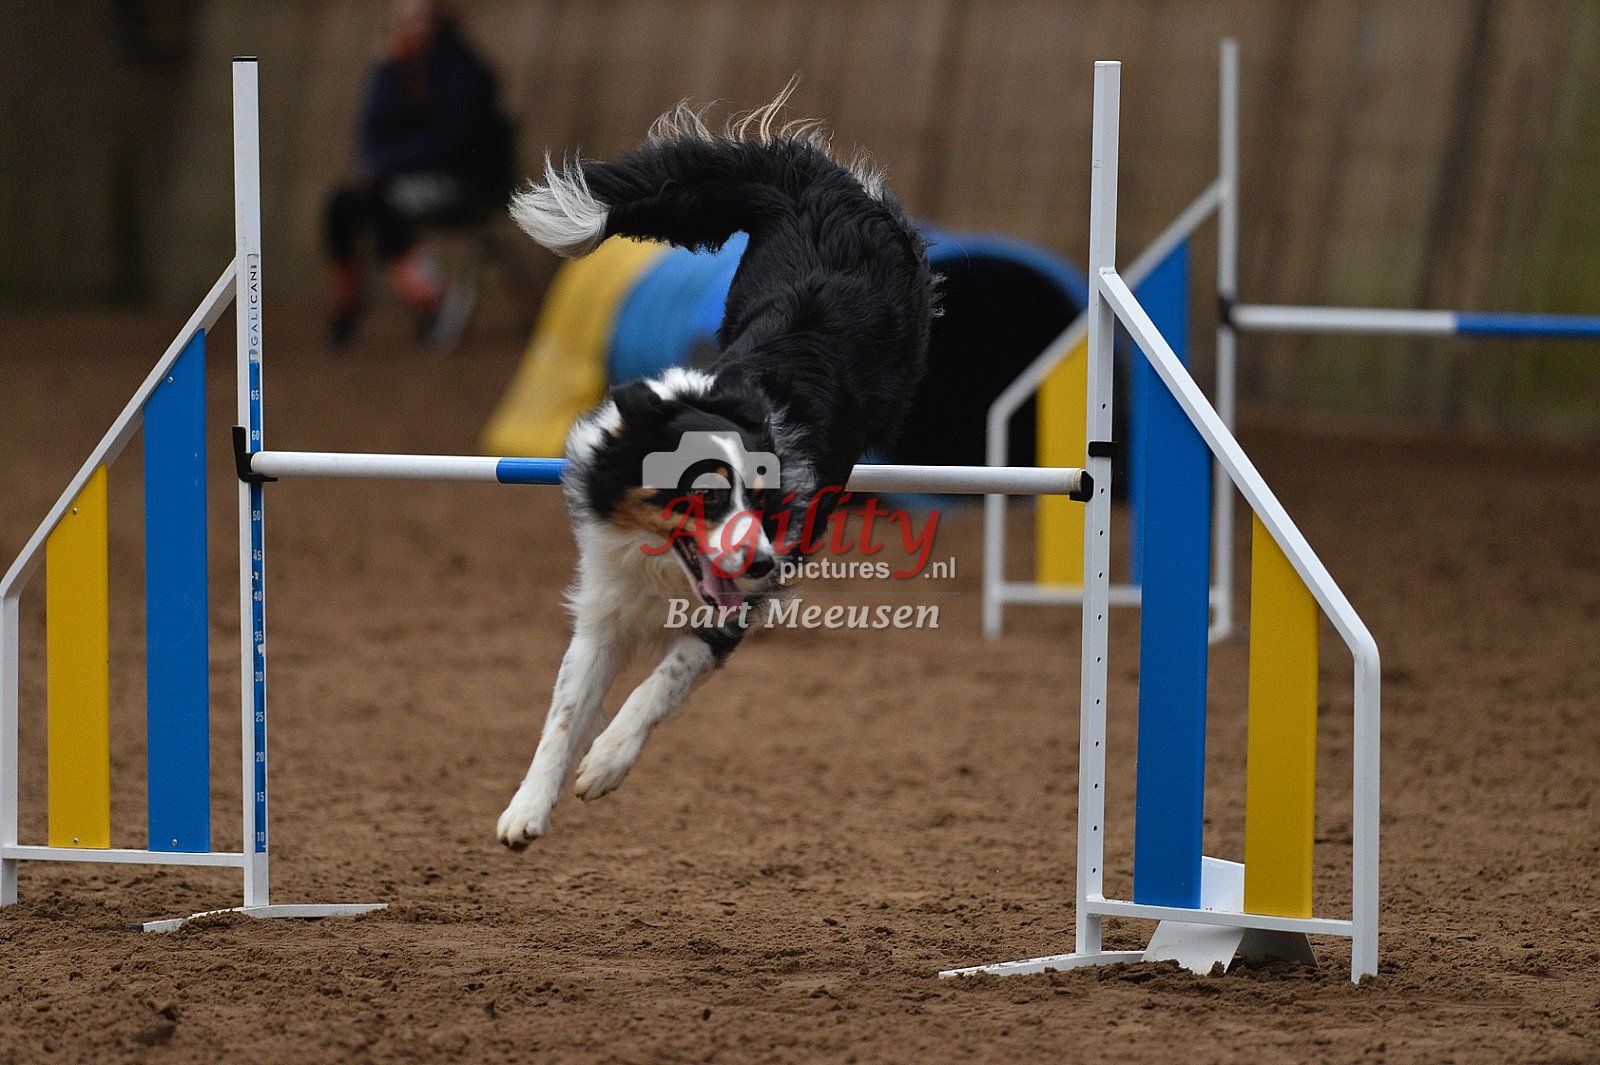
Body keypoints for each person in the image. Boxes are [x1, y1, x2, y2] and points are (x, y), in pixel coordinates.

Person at [323, 0, 513, 349]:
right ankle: (345, 305)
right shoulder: (395, 69)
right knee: (341, 204)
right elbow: (372, 132)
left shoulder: (464, 70)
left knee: (381, 199)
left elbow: (450, 142)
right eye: (402, 20)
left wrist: (384, 167)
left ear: (439, 21)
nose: (409, 28)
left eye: (418, 19)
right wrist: (386, 72)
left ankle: (429, 299)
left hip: (463, 182)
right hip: (399, 180)